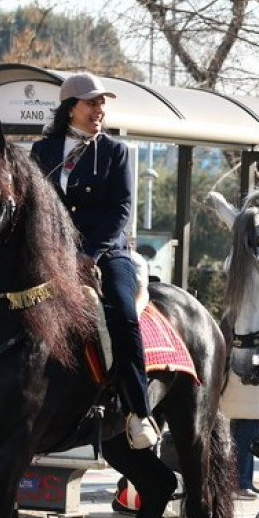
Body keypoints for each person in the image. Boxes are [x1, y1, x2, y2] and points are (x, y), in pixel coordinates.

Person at [31, 73, 159, 450]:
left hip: (105, 251)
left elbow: (121, 210)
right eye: (92, 103)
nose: (100, 110)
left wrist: (90, 254)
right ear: (71, 107)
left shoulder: (116, 152)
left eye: (103, 103)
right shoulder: (43, 151)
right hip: (54, 252)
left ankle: (139, 410)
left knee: (121, 311)